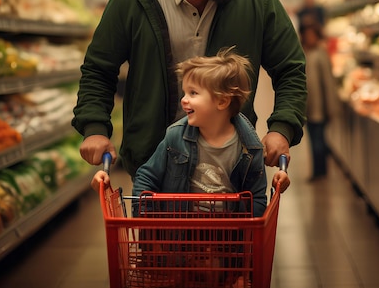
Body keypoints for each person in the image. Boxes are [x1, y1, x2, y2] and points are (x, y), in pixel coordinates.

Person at [74, 0, 307, 182]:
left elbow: (291, 69)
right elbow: (99, 69)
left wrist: (281, 127)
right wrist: (95, 128)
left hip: (231, 171)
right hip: (154, 171)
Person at [91, 48, 290, 213]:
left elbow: (256, 196)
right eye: (185, 92)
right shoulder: (175, 137)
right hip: (182, 235)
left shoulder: (249, 147)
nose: (184, 100)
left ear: (222, 101)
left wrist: (249, 236)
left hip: (229, 238)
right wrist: (147, 221)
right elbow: (146, 176)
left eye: (193, 93)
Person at [299, 22, 336, 182]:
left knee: (318, 141)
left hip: (320, 106)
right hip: (308, 106)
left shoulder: (321, 55)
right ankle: (318, 170)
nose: (309, 38)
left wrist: (331, 106)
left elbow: (328, 82)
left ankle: (320, 172)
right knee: (314, 140)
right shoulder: (302, 54)